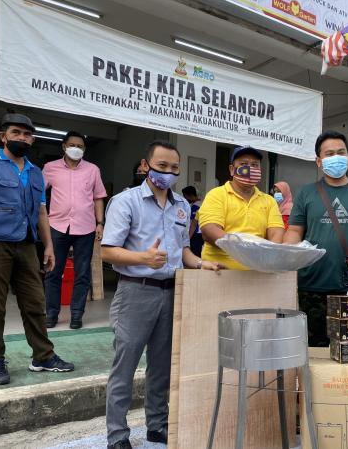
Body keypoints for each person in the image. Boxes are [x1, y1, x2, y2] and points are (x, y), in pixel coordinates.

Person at [101, 140, 221, 448]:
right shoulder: (125, 202)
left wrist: (201, 263)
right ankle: (117, 435)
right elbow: (107, 251)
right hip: (135, 292)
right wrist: (143, 258)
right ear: (146, 166)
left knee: (162, 365)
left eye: (174, 168)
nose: (168, 172)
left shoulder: (181, 205)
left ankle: (157, 425)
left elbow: (183, 250)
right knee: (125, 364)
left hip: (171, 292)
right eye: (161, 166)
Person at [0, 113, 74, 385]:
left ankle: (43, 356)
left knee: (34, 302)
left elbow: (42, 212)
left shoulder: (36, 172)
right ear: (3, 136)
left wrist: (49, 247)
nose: (22, 138)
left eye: (27, 134)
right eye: (16, 133)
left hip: (26, 244)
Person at [283, 130, 348, 347]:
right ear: (319, 161)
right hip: (311, 286)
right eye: (329, 154)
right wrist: (284, 261)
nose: (336, 157)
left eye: (341, 152)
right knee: (314, 350)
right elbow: (294, 232)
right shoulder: (306, 193)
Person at [43, 131, 107, 329]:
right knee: (53, 272)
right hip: (57, 226)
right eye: (72, 145)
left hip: (85, 228)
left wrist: (100, 223)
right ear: (64, 146)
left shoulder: (92, 170)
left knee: (82, 274)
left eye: (80, 146)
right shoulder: (50, 168)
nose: (76, 149)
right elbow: (38, 194)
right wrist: (41, 219)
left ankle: (77, 315)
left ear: (84, 149)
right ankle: (51, 314)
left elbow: (98, 197)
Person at [198, 145, 284, 269]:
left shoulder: (269, 201)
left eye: (255, 165)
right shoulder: (216, 195)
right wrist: (243, 248)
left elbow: (276, 233)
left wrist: (270, 254)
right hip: (220, 272)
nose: (250, 169)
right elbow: (209, 230)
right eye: (244, 164)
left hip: (257, 272)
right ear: (232, 169)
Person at [181, 186, 204, 257]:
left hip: (196, 234)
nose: (185, 198)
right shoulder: (202, 203)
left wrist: (188, 238)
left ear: (190, 195)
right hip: (202, 233)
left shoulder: (195, 206)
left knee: (195, 254)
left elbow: (194, 224)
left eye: (185, 196)